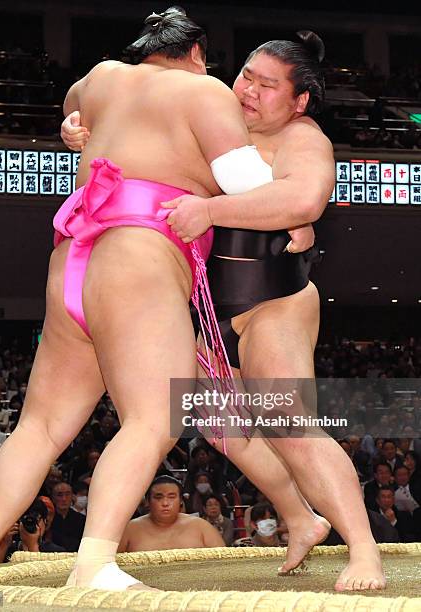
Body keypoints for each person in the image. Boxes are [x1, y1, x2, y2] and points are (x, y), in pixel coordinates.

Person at [0, 6, 301, 592]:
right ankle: (93, 565)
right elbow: (247, 188)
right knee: (154, 416)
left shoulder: (102, 75)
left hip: (74, 263)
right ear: (196, 54)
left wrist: (73, 128)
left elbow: (71, 106)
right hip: (138, 260)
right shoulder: (202, 90)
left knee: (39, 425)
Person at [62, 26, 385, 591]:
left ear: (299, 100)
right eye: (246, 77)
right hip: (206, 310)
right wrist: (72, 123)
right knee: (215, 421)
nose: (249, 91)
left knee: (287, 420)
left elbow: (305, 197)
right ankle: (300, 518)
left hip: (271, 303)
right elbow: (92, 93)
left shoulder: (302, 138)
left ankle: (363, 551)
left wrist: (212, 210)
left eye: (266, 86)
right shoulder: (209, 109)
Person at [118, 475, 224, 552]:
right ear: (147, 501)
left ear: (181, 501)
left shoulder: (201, 527)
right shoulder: (130, 529)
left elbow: (224, 563)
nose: (165, 503)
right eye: (158, 497)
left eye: (171, 497)